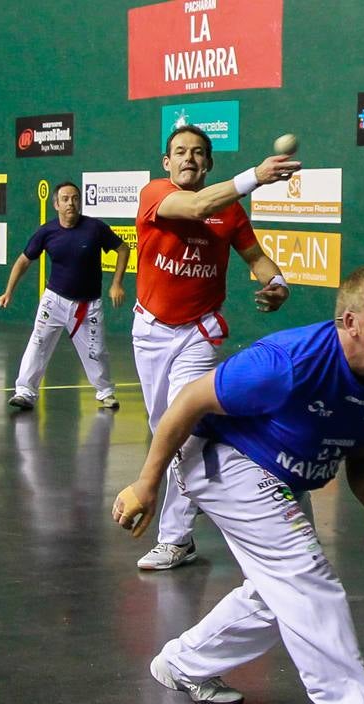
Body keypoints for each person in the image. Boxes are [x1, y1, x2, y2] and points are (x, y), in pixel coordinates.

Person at [111, 263, 364, 704]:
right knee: (305, 580)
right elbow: (188, 401)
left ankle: (184, 665)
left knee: (278, 591)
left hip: (275, 476)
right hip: (220, 459)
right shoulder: (288, 362)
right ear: (349, 320)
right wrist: (147, 482)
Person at [133, 124, 300, 571]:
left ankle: (177, 537)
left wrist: (276, 281)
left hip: (199, 333)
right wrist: (255, 178)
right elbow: (197, 205)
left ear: (208, 163)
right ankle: (198, 497)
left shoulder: (230, 215)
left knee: (182, 427)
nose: (189, 158)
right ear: (167, 163)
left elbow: (257, 258)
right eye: (180, 152)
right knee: (161, 430)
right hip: (150, 332)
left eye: (198, 153)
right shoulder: (155, 194)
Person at [0, 181, 128, 411]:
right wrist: (9, 291)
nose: (71, 203)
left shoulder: (95, 228)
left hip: (88, 305)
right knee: (38, 344)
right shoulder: (46, 232)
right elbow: (23, 261)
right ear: (56, 204)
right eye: (66, 199)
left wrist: (116, 283)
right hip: (54, 301)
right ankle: (25, 393)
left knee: (96, 351)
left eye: (75, 198)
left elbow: (123, 249)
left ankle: (105, 393)